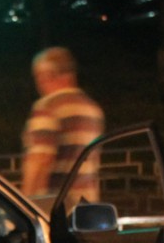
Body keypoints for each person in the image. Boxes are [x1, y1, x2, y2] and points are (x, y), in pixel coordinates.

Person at [19, 47, 104, 208]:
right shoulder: (93, 109)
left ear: (48, 75)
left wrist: (23, 207)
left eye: (39, 76)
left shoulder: (48, 107)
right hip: (87, 210)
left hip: (57, 210)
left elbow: (39, 162)